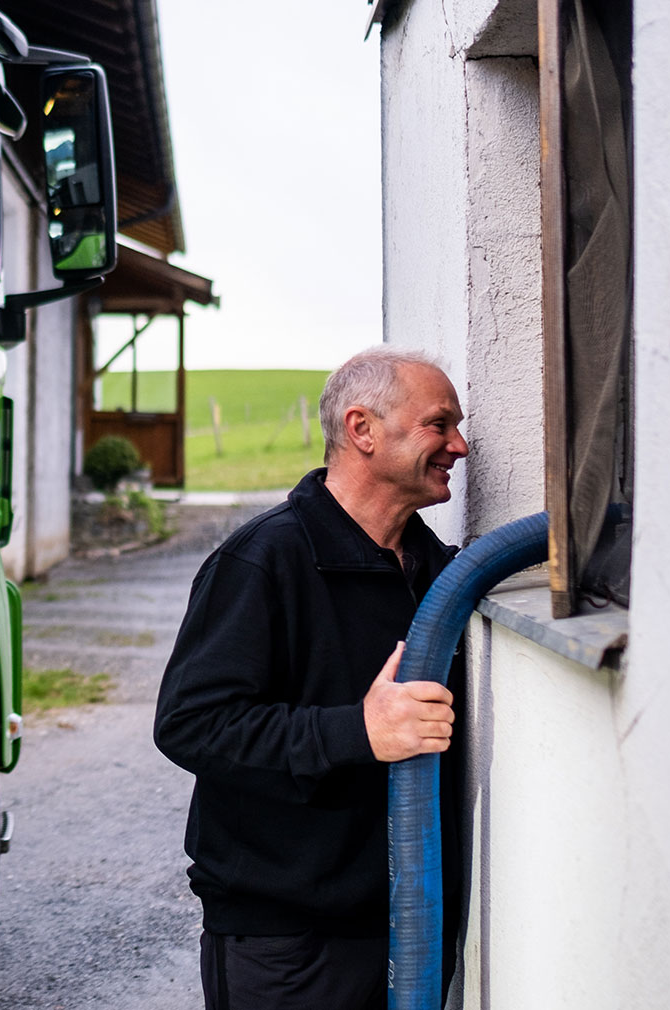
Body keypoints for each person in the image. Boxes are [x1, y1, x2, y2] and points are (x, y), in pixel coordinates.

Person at [153, 346, 470, 1010]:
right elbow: (191, 724)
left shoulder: (436, 571)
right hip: (289, 944)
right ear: (363, 429)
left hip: (408, 924)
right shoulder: (263, 561)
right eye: (439, 424)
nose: (460, 446)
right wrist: (358, 730)